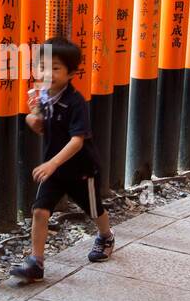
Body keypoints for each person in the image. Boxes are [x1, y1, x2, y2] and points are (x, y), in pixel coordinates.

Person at [12, 37, 114, 282]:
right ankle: (36, 262)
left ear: (71, 73)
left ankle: (106, 235)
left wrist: (52, 163)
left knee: (93, 209)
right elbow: (44, 129)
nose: (48, 72)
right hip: (55, 171)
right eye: (43, 66)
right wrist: (32, 120)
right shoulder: (43, 97)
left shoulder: (76, 102)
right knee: (39, 210)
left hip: (81, 169)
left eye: (55, 68)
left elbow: (77, 140)